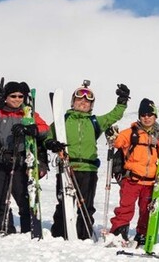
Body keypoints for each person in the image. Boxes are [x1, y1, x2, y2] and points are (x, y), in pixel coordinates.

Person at [52, 82, 128, 241]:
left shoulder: (95, 122)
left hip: (88, 169)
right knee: (64, 204)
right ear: (72, 102)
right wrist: (50, 143)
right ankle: (58, 234)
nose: (83, 102)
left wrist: (122, 102)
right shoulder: (63, 121)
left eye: (87, 101)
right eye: (79, 99)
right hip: (67, 167)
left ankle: (83, 236)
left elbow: (114, 115)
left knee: (85, 205)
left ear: (91, 105)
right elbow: (47, 135)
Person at [0, 79, 60, 237]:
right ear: (6, 97)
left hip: (22, 159)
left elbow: (44, 129)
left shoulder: (28, 113)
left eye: (20, 96)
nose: (17, 99)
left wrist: (30, 129)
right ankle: (5, 228)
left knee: (24, 198)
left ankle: (28, 229)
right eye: (13, 96)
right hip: (0, 158)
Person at [105, 99, 159, 244]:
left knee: (147, 210)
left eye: (150, 114)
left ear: (155, 116)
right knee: (126, 208)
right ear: (139, 116)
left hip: (151, 182)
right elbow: (117, 142)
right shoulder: (131, 133)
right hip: (131, 180)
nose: (146, 117)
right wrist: (112, 135)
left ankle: (143, 234)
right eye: (143, 114)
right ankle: (119, 232)